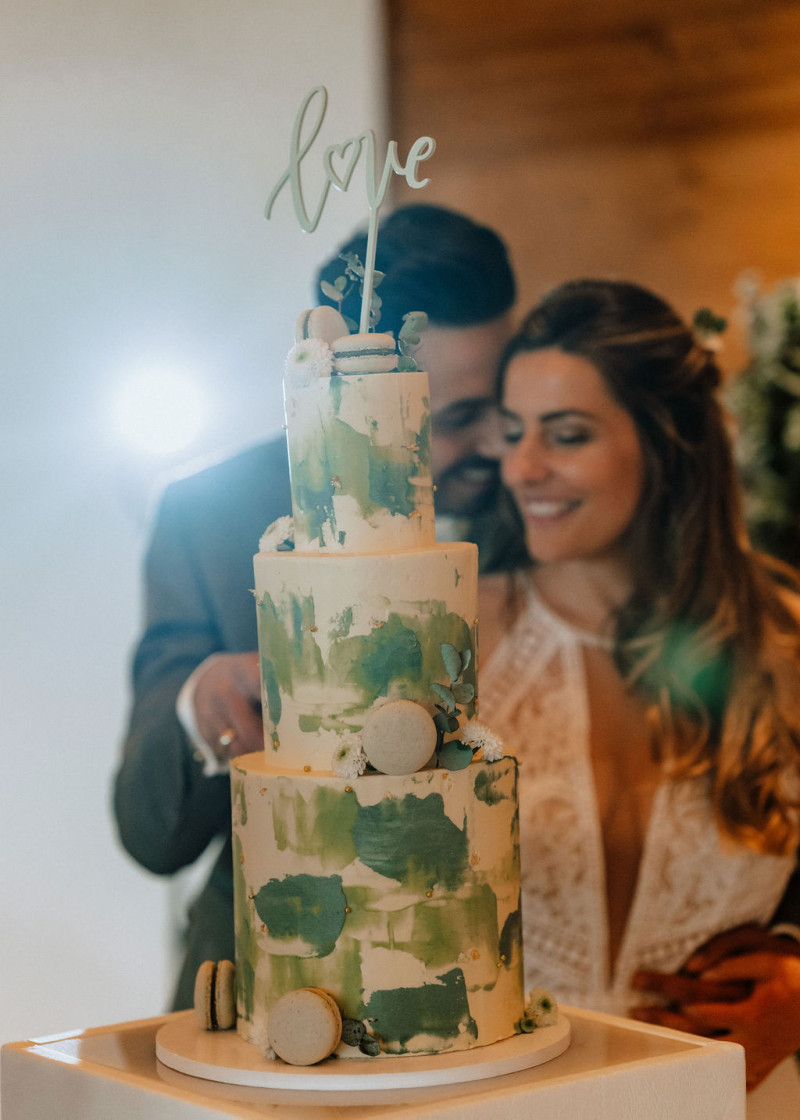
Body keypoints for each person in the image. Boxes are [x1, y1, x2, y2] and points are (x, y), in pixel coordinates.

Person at [113, 203, 524, 1010]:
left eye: (498, 408)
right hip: (285, 992)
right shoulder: (213, 514)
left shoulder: (549, 502)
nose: (498, 447)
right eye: (456, 419)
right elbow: (148, 832)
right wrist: (204, 707)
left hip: (494, 985)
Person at [477, 279, 800, 1105]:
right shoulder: (454, 639)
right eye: (513, 432)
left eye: (567, 435)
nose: (523, 467)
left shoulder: (785, 645)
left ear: (667, 442)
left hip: (740, 1100)